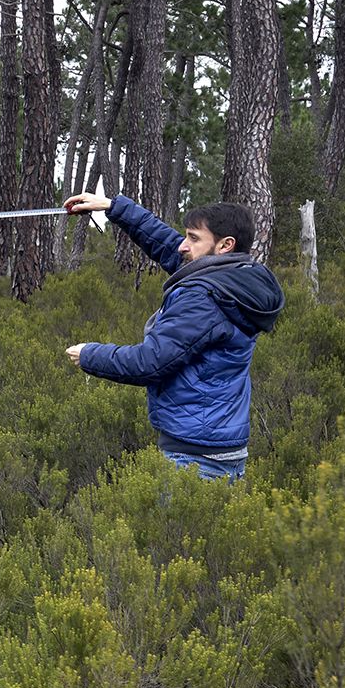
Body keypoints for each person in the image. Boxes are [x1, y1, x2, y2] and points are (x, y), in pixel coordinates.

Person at [61, 193, 285, 481]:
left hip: (195, 457)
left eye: (193, 238)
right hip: (220, 444)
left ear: (225, 245)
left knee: (182, 514)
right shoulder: (234, 280)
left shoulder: (204, 299)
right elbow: (169, 245)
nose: (183, 245)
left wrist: (89, 355)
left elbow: (150, 362)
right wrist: (114, 207)